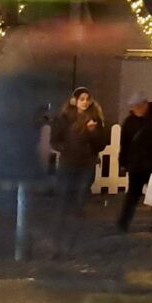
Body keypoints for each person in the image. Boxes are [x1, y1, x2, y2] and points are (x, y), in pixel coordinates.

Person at [116, 95, 152, 233]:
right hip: (137, 164)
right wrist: (123, 162)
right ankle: (123, 223)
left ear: (145, 105)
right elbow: (125, 144)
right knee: (134, 195)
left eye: (138, 106)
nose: (135, 109)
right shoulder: (132, 122)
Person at [52, 87, 109, 223]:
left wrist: (93, 131)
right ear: (75, 101)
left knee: (82, 190)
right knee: (65, 190)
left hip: (87, 162)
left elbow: (101, 144)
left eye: (87, 99)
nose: (85, 102)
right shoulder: (64, 119)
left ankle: (77, 217)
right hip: (68, 161)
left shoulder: (95, 120)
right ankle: (62, 219)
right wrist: (65, 148)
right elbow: (54, 140)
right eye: (82, 99)